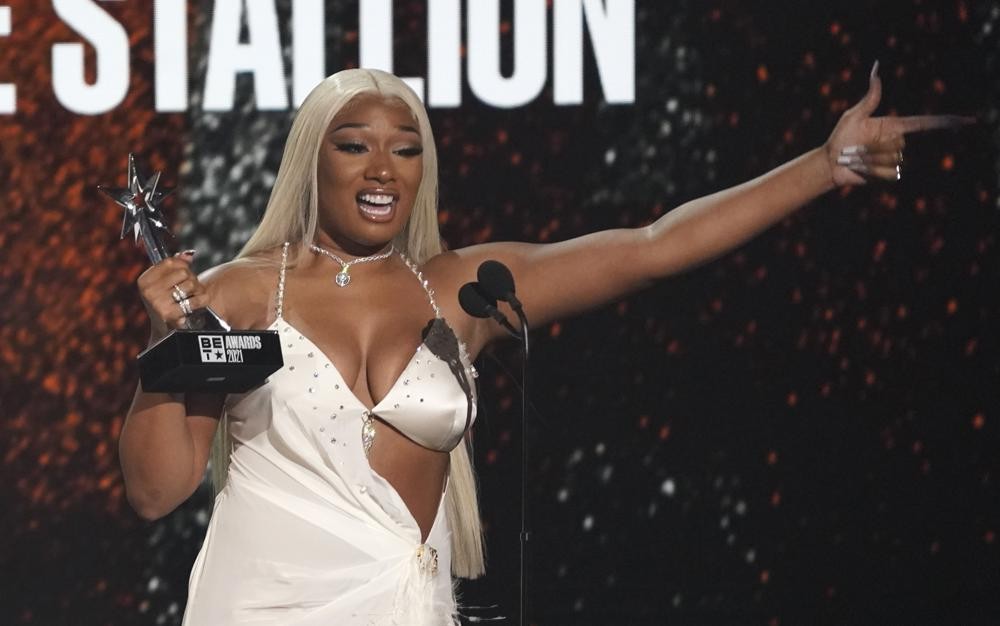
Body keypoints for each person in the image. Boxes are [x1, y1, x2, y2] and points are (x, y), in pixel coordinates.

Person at [117, 66, 967, 625]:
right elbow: (158, 492)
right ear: (313, 160)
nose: (384, 170)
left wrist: (824, 165)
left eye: (406, 150)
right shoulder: (235, 291)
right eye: (356, 146)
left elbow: (649, 248)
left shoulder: (455, 290)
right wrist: (166, 340)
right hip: (260, 605)